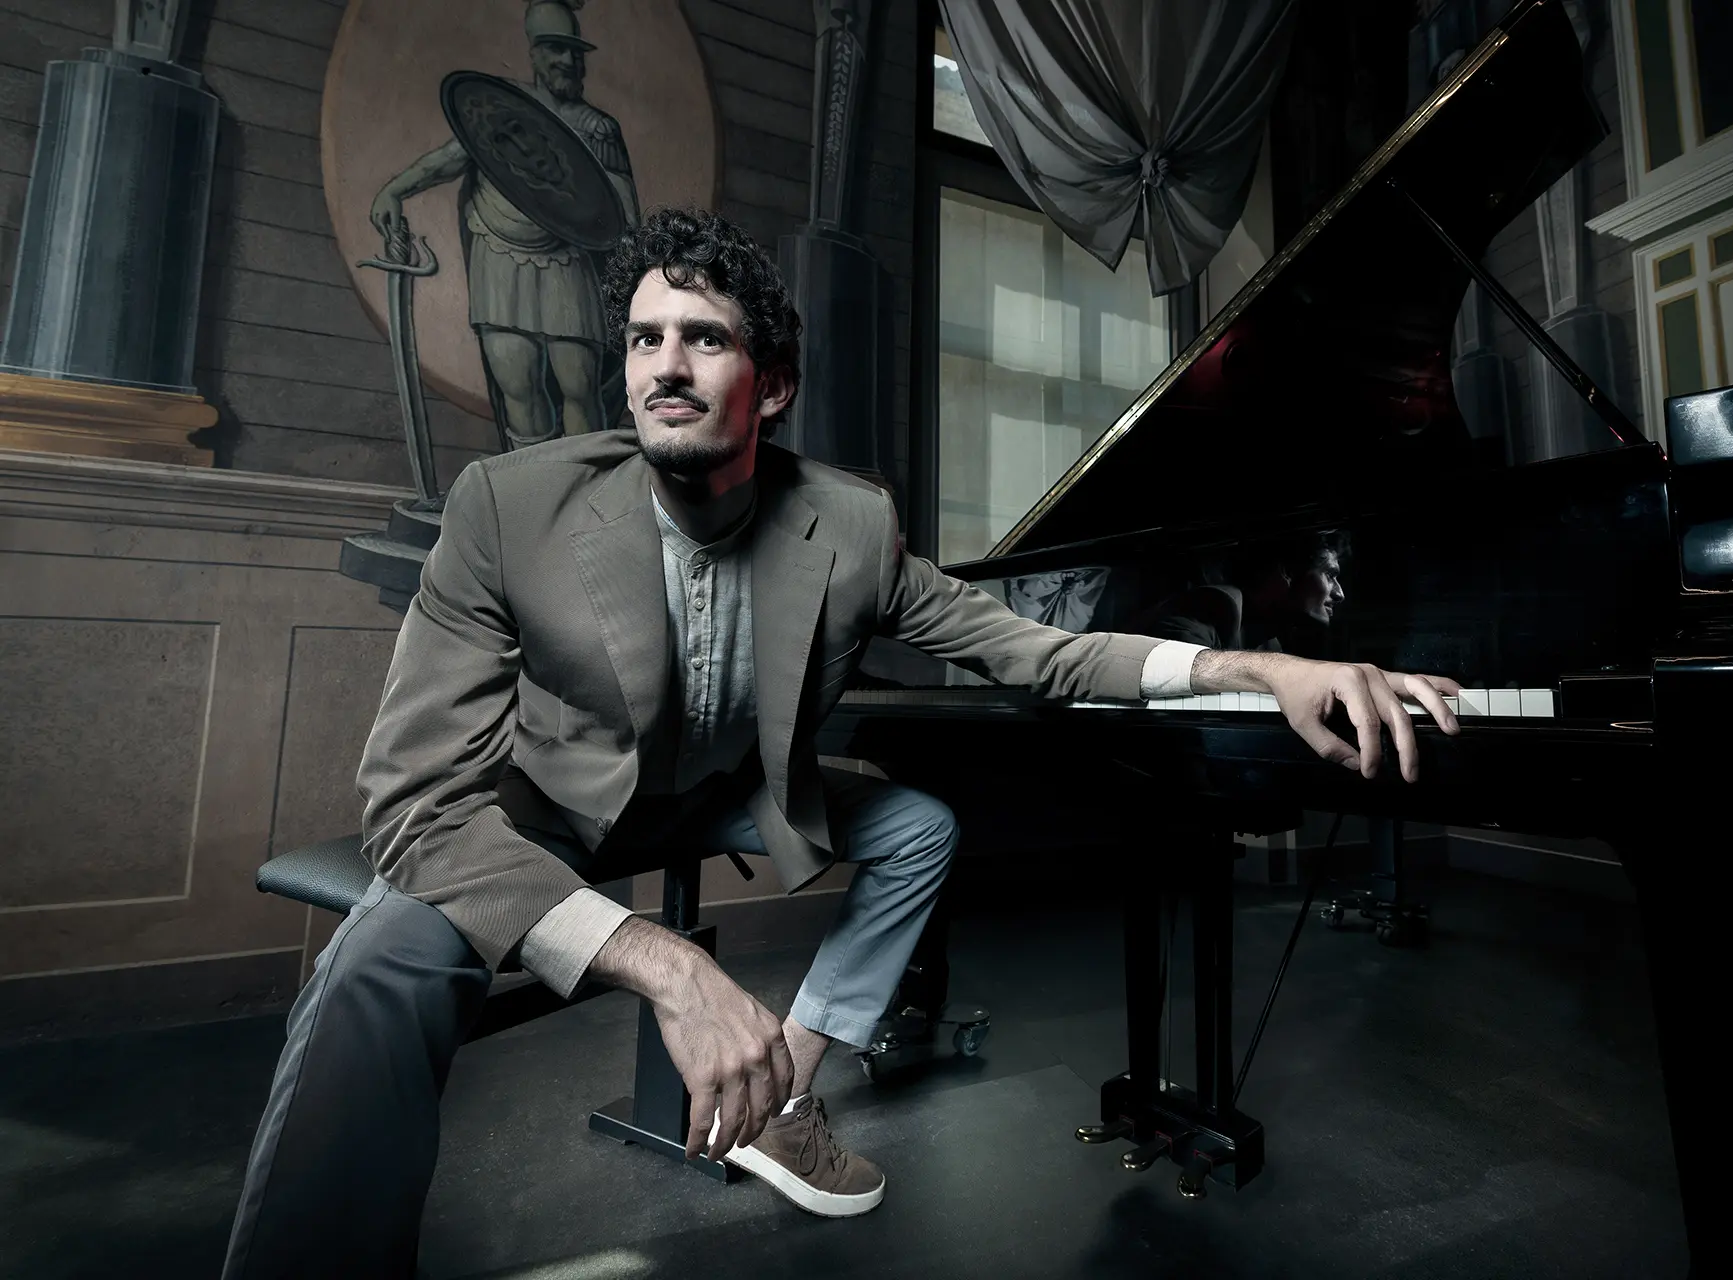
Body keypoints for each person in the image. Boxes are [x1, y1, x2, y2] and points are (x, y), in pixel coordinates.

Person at [220, 207, 1460, 1278]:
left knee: (921, 823)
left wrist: (1262, 663)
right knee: (384, 952)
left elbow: (1045, 652)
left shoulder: (850, 527)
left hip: (715, 790)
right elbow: (414, 804)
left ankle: (784, 1090)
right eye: (646, 338)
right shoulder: (510, 504)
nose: (667, 365)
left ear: (774, 382)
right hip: (546, 807)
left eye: (705, 339)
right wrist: (673, 967)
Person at [369, 0, 639, 447]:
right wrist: (394, 189)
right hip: (499, 257)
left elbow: (623, 212)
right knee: (518, 383)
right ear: (534, 52)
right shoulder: (499, 110)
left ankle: (587, 489)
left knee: (579, 385)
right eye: (555, 49)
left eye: (575, 53)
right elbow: (448, 160)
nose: (568, 62)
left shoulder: (597, 128)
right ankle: (532, 497)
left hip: (567, 263)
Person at [1133, 529, 1350, 658]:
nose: (1340, 593)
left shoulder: (1268, 642)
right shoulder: (1204, 612)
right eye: (1329, 575)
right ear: (1288, 572)